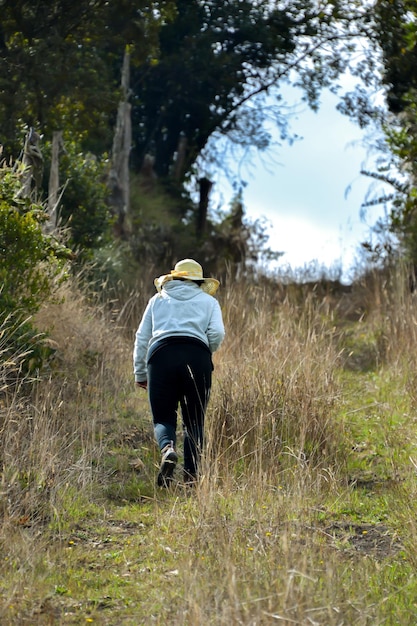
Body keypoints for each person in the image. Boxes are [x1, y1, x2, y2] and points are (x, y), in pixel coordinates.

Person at [133, 259, 225, 487]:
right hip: (197, 358)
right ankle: (191, 479)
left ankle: (168, 449)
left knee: (163, 417)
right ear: (198, 281)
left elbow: (142, 337)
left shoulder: (157, 300)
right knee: (194, 421)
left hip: (160, 357)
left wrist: (140, 373)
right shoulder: (209, 302)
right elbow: (217, 333)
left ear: (174, 277)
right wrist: (204, 351)